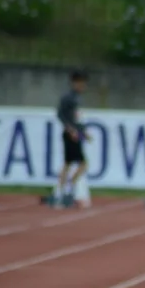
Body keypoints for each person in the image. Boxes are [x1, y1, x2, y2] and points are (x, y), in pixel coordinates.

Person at [56, 69, 91, 207]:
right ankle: (66, 189)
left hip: (76, 133)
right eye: (81, 83)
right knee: (75, 163)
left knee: (71, 163)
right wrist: (70, 130)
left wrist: (83, 132)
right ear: (75, 83)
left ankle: (66, 189)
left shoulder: (77, 98)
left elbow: (77, 118)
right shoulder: (68, 97)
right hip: (71, 134)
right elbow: (61, 115)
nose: (83, 86)